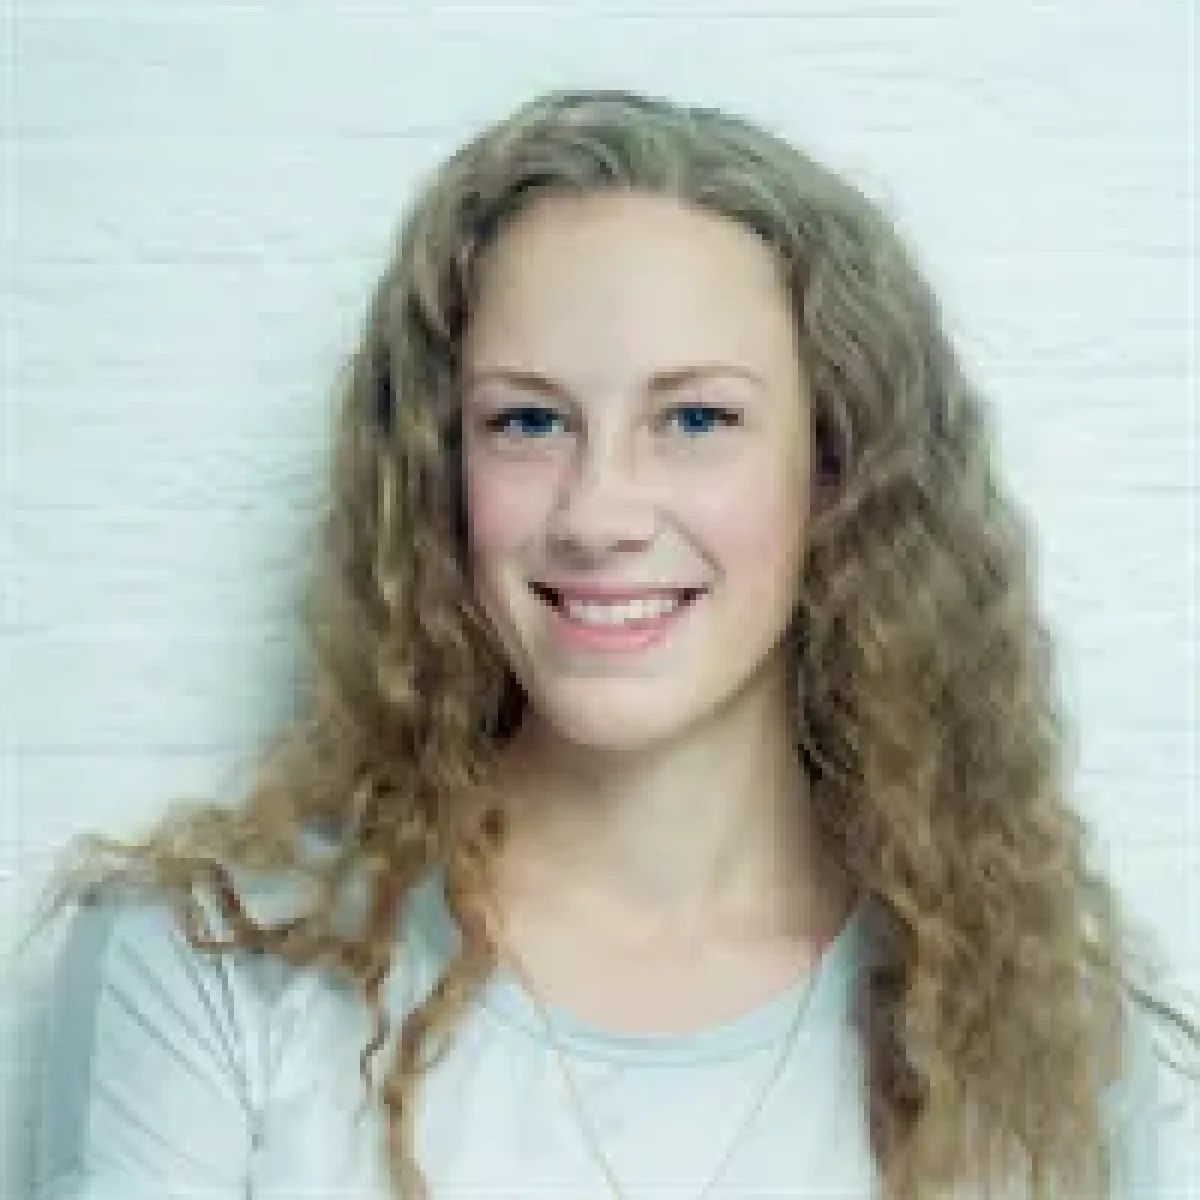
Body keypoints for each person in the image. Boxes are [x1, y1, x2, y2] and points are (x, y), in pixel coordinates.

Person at [24, 88, 1197, 1199]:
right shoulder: (213, 963)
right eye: (528, 420)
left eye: (696, 418)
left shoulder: (1046, 1036)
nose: (597, 515)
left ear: (840, 470)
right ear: (441, 475)